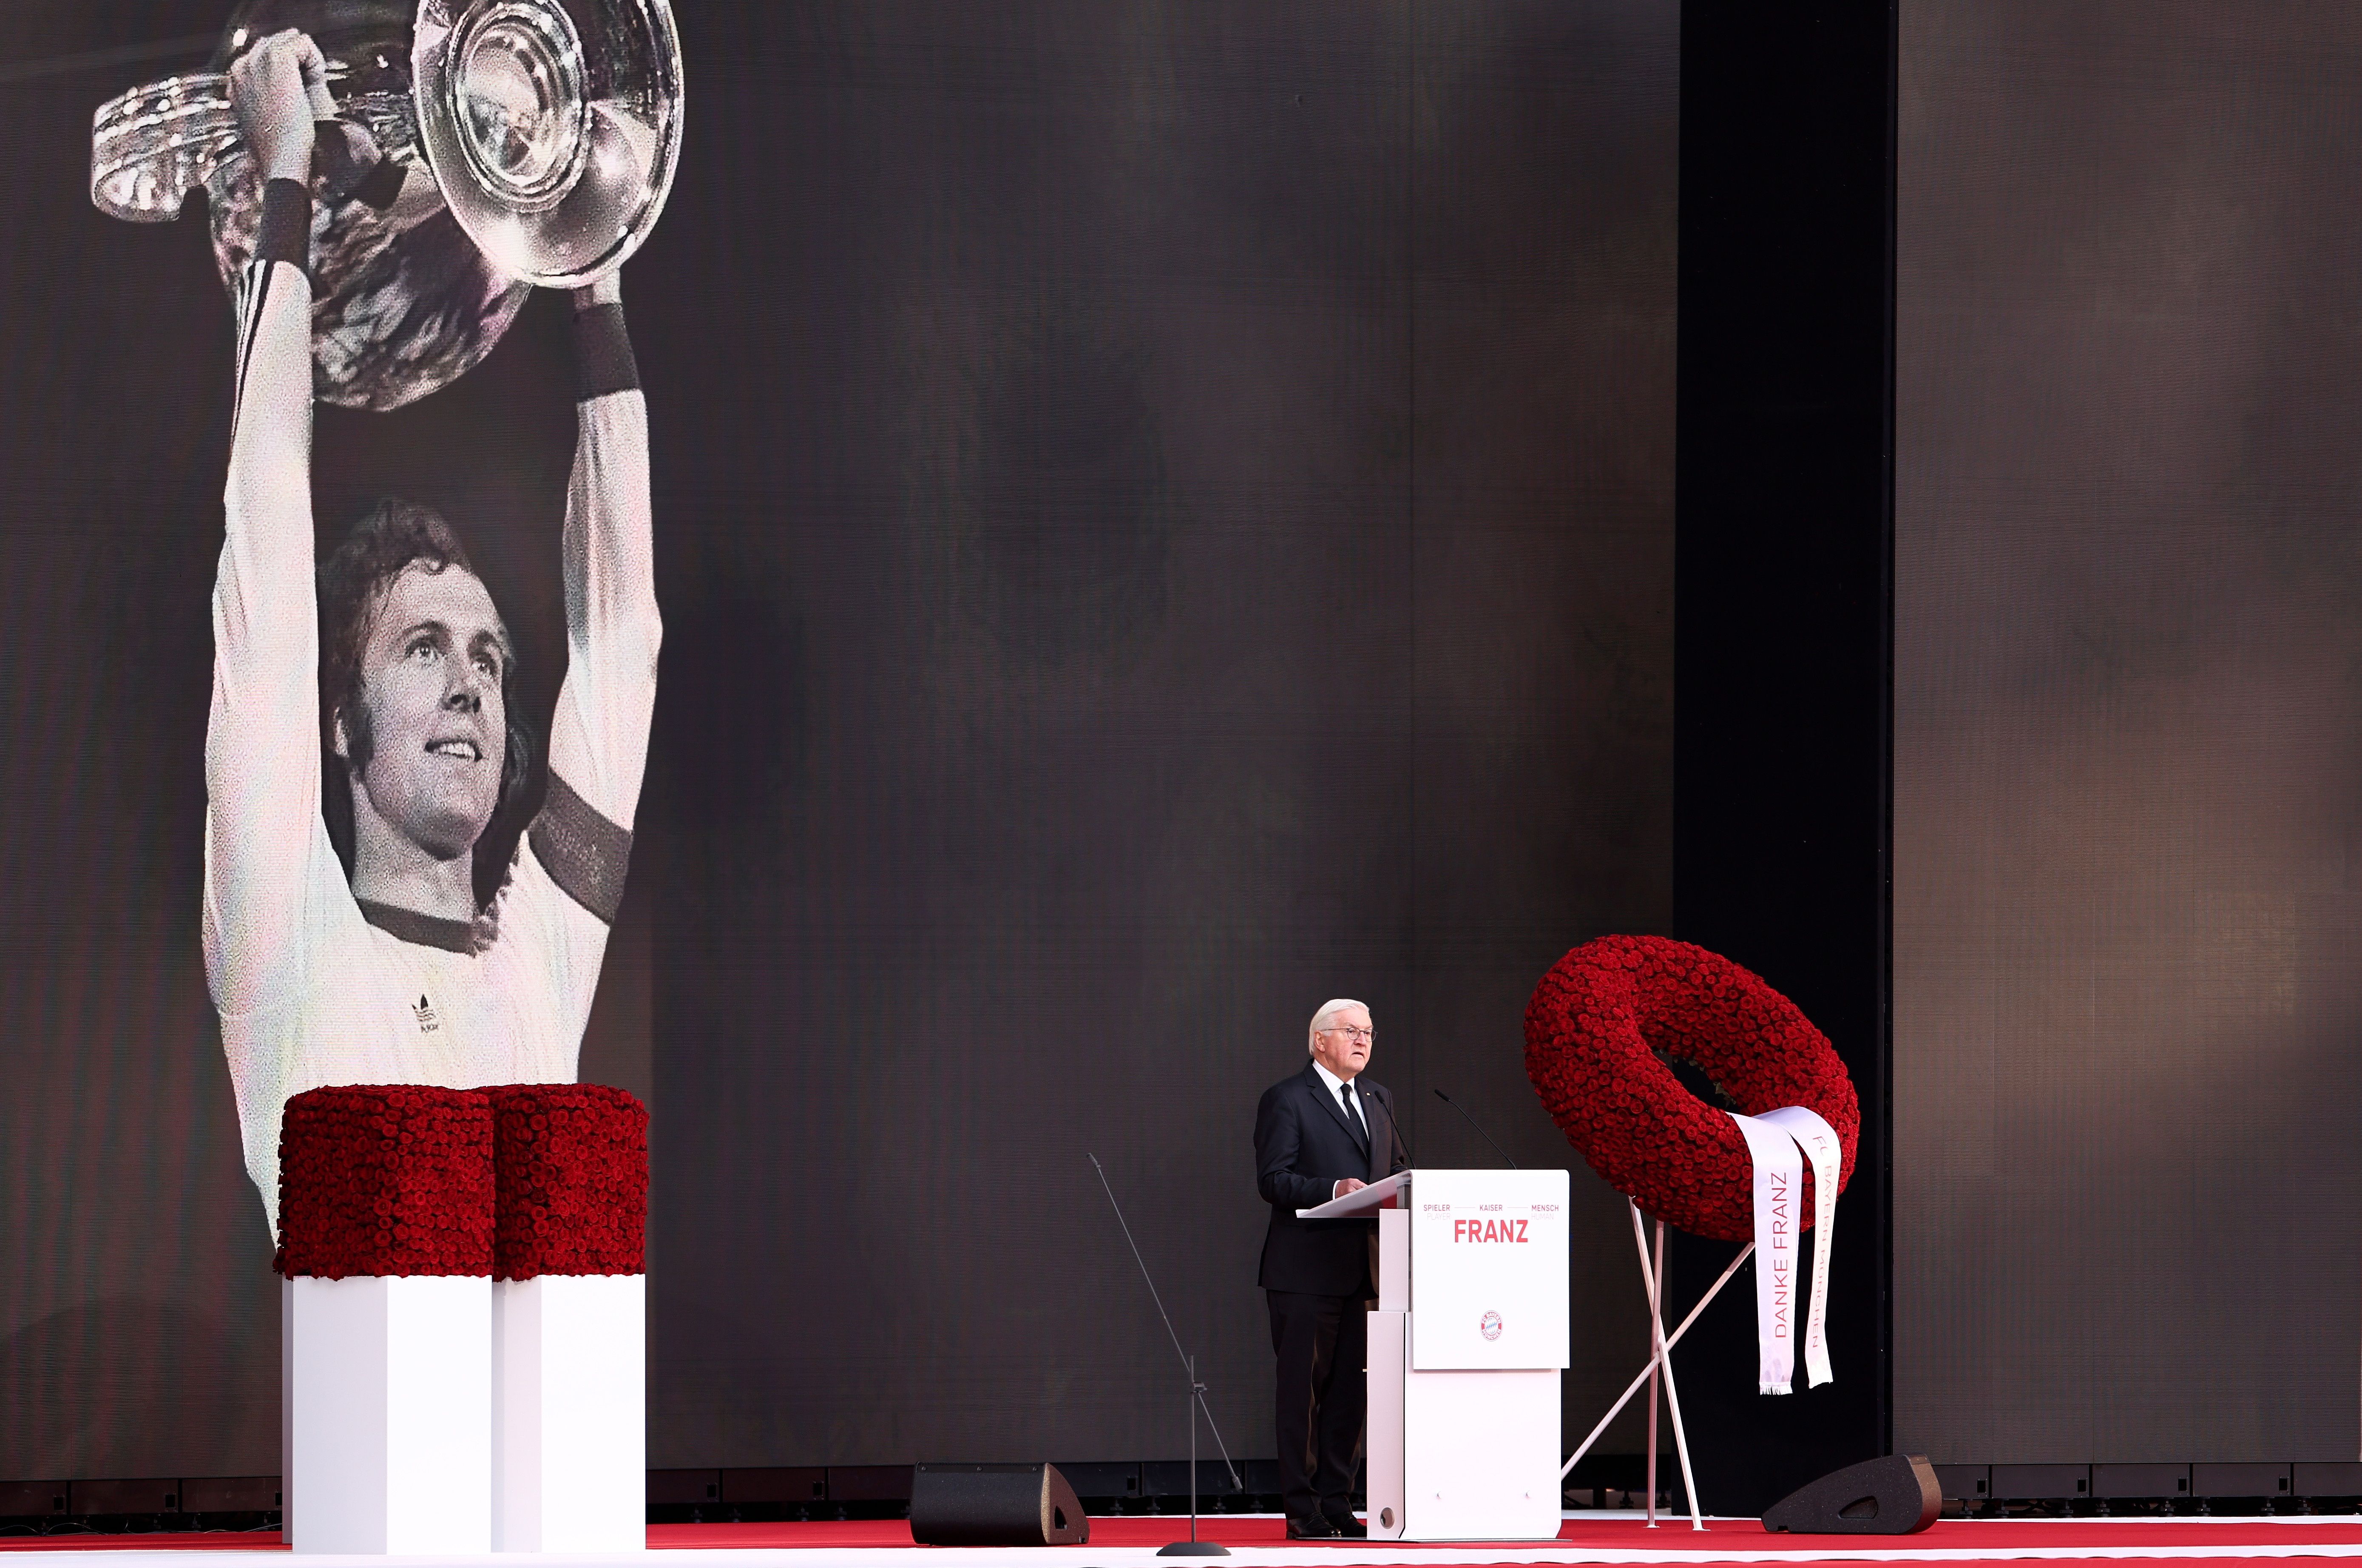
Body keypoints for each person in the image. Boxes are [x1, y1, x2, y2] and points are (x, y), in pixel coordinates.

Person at [204, 31, 661, 1235]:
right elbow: (263, 535)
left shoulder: (536, 971)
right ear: (341, 731)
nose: (470, 681)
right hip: (380, 1424)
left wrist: (591, 267)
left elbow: (622, 643)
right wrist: (289, 180)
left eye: (488, 656)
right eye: (422, 647)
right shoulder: (284, 949)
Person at [1252, 998, 1410, 1540]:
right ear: (1320, 1039)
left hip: (1365, 1271)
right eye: (1351, 1030)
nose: (1364, 1039)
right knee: (1304, 1392)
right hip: (1304, 1273)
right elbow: (1273, 1178)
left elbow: (1392, 1173)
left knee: (1351, 1393)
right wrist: (1333, 1189)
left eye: (1369, 1031)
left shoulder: (1379, 1099)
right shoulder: (1288, 1099)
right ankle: (1302, 1510)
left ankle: (1338, 1502)